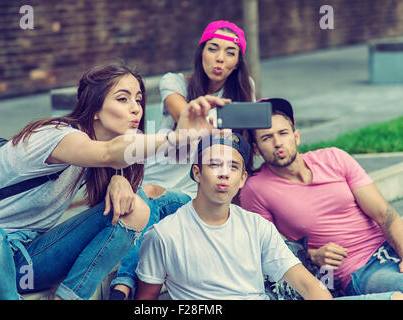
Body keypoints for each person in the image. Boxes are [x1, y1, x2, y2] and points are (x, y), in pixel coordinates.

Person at [0, 63, 227, 300]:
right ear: (95, 109)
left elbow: (113, 154)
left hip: (26, 259)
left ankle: (71, 297)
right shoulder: (54, 135)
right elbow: (108, 153)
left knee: (136, 207)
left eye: (138, 100)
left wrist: (119, 179)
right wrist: (174, 138)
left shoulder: (98, 156)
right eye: (122, 99)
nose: (136, 109)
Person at [110, 19, 257, 300]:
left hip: (192, 192)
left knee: (155, 199)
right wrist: (200, 117)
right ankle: (126, 284)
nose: (220, 58)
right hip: (151, 178)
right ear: (201, 51)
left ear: (238, 62)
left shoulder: (241, 89)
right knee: (148, 198)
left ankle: (123, 286)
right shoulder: (173, 81)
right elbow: (181, 112)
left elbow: (242, 142)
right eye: (213, 48)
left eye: (230, 52)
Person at [134, 132, 334, 300]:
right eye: (214, 165)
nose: (224, 174)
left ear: (242, 179)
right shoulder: (164, 235)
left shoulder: (257, 227)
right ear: (197, 173)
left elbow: (309, 285)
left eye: (233, 167)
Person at [239, 98, 403, 297]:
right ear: (256, 148)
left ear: (296, 136)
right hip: (358, 270)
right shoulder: (255, 190)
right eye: (266, 138)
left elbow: (385, 215)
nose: (278, 143)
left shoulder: (334, 158)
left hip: (391, 245)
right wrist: (312, 256)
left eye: (283, 133)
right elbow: (266, 253)